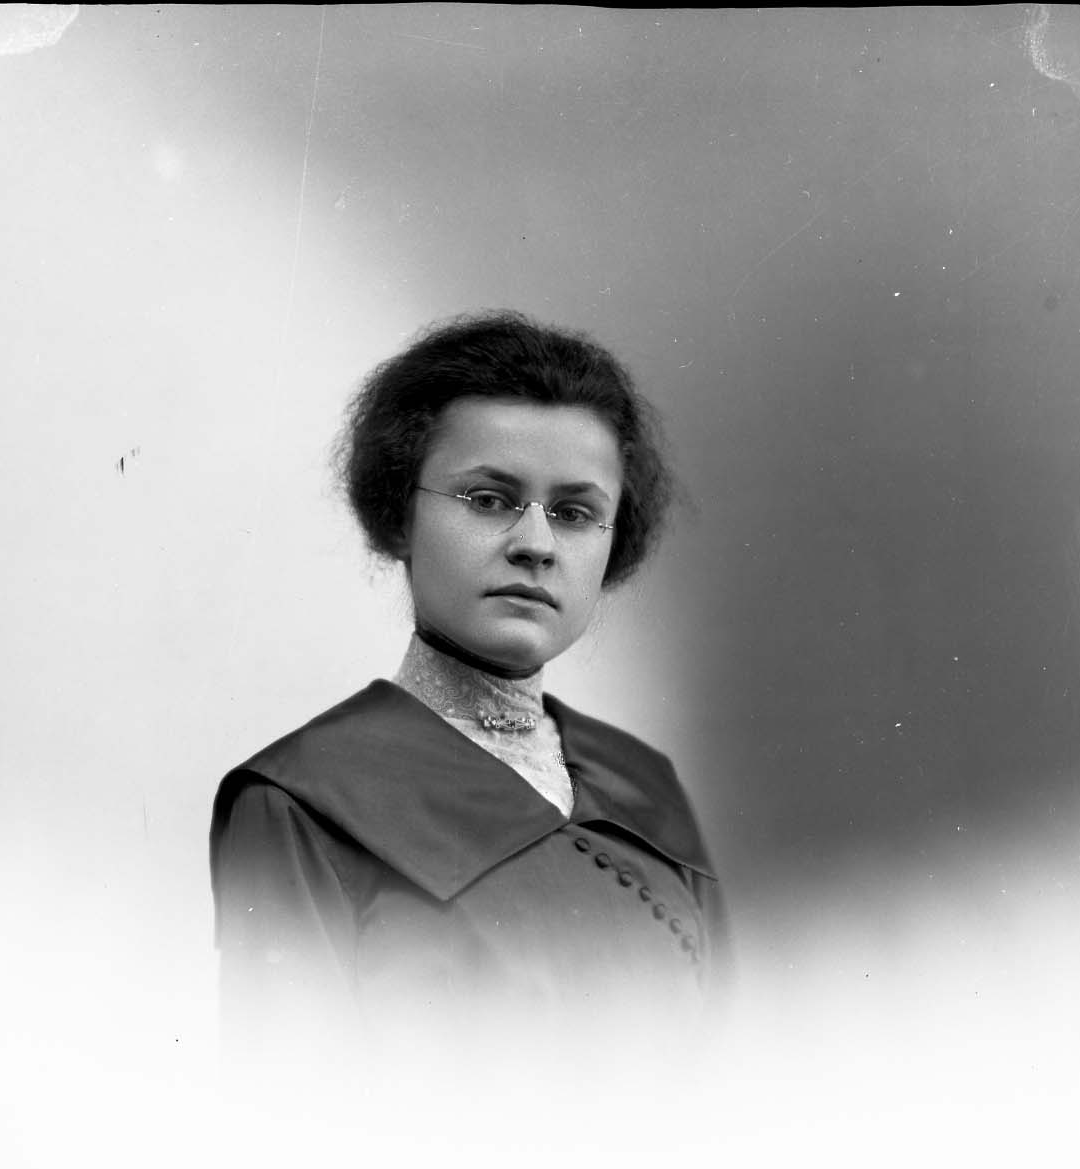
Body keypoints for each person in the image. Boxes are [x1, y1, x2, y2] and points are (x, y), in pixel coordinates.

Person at [210, 311, 732, 1072]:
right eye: (488, 499)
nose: (535, 544)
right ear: (400, 516)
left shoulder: (643, 787)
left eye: (575, 513)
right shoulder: (302, 801)